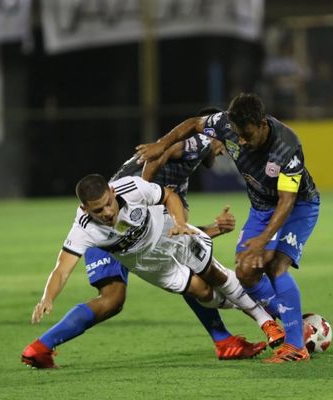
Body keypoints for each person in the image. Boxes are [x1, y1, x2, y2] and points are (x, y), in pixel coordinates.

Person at [22, 111, 280, 368]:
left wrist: (210, 228)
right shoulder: (198, 145)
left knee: (121, 298)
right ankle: (257, 325)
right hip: (113, 237)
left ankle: (40, 348)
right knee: (120, 297)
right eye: (226, 143)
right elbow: (168, 150)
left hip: (137, 238)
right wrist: (143, 185)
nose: (225, 151)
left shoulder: (179, 181)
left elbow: (171, 231)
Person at [136, 93, 320, 363]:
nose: (241, 142)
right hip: (261, 207)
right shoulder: (225, 123)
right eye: (237, 135)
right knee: (245, 271)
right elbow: (193, 123)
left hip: (298, 207)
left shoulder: (286, 146)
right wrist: (160, 145)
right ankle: (293, 320)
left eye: (246, 135)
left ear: (261, 124)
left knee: (275, 264)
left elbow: (286, 201)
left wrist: (264, 239)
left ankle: (295, 346)